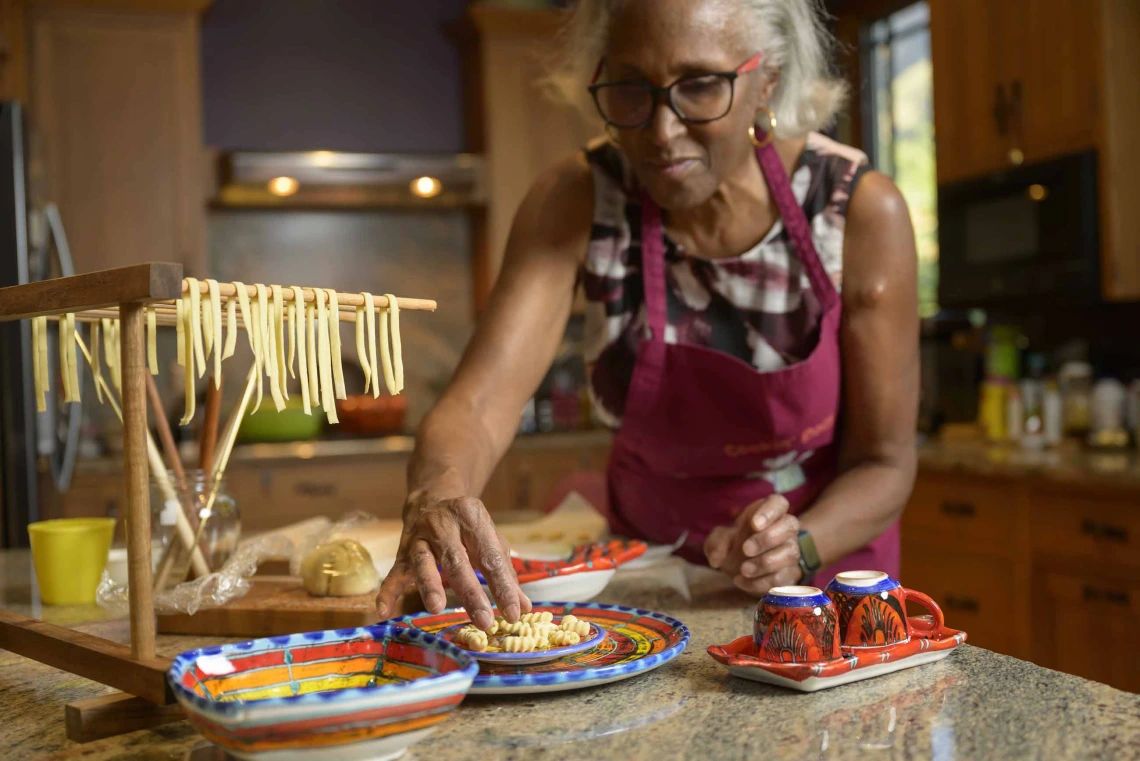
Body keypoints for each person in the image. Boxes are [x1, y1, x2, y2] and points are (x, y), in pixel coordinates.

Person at [376, 0, 918, 631]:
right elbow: (476, 405)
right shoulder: (578, 199)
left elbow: (885, 462)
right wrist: (437, 492)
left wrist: (796, 545)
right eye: (632, 89)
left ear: (766, 79)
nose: (661, 132)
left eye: (700, 86)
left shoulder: (856, 211)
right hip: (649, 591)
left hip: (822, 588)